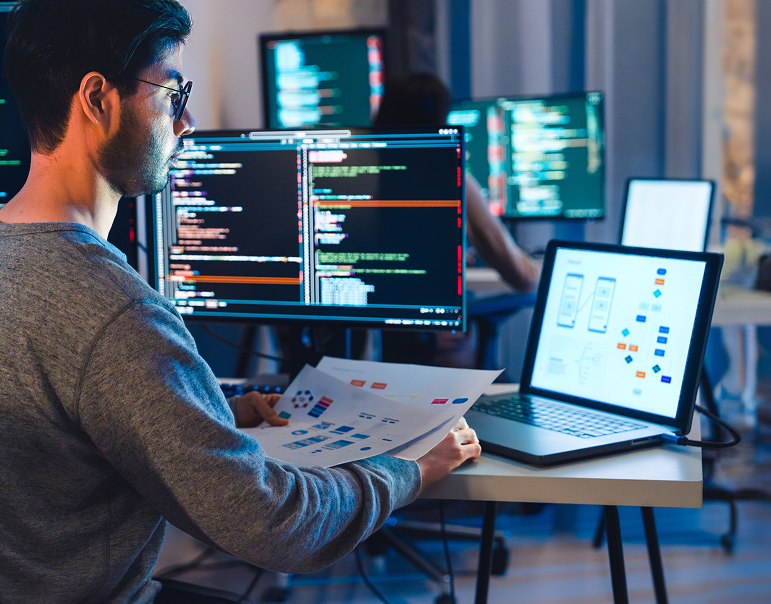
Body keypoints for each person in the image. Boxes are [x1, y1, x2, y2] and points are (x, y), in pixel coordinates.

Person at [0, 2, 480, 602]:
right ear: (97, 99)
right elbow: (275, 524)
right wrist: (410, 470)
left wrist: (214, 411)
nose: (186, 123)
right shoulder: (114, 314)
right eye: (171, 93)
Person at [375, 73, 540, 367]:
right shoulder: (450, 176)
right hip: (436, 356)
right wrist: (550, 266)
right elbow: (523, 278)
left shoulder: (357, 175)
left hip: (367, 349)